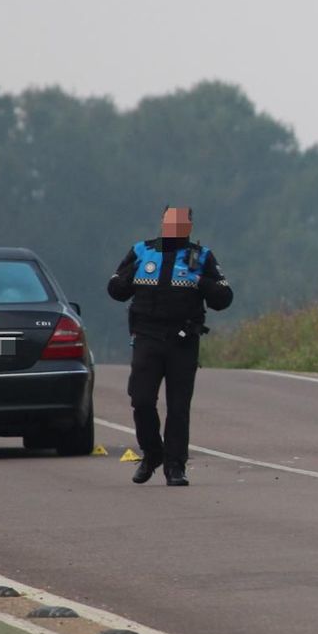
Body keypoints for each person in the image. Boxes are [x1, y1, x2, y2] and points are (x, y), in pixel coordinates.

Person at [107, 206, 233, 487]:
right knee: (141, 400)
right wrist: (129, 277)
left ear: (189, 226)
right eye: (170, 221)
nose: (175, 226)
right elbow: (115, 289)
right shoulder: (141, 251)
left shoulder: (201, 257)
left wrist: (199, 280)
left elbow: (224, 298)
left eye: (181, 222)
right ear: (162, 223)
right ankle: (153, 454)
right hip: (146, 338)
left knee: (178, 407)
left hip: (183, 341)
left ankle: (175, 466)